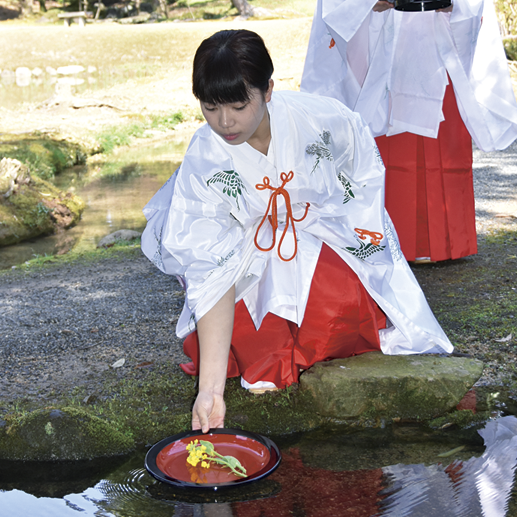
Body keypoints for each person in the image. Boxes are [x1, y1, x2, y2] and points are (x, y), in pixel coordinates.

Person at [141, 29, 452, 433]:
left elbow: (362, 181)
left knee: (337, 306)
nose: (224, 122)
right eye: (210, 107)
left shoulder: (323, 120)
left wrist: (322, 218)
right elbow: (211, 267)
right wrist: (211, 391)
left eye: (238, 105)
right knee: (257, 347)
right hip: (244, 253)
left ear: (268, 90)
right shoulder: (206, 158)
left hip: (319, 230)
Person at [301, 0, 517, 262]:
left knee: (443, 136)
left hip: (440, 39)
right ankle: (384, 235)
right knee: (387, 143)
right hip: (383, 40)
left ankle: (446, 242)